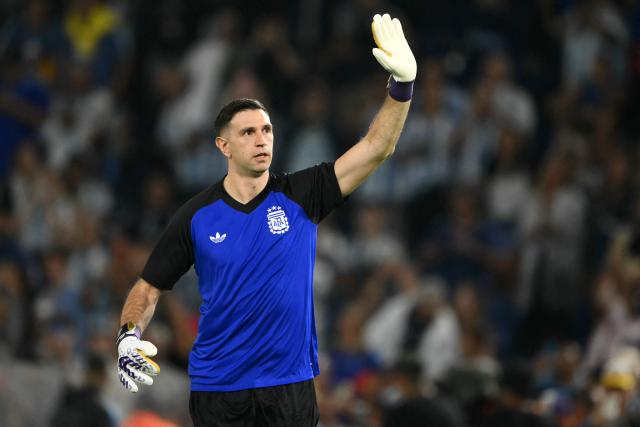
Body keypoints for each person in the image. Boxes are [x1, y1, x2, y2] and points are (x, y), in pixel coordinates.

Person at [115, 13, 416, 427]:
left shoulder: (303, 194)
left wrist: (401, 89)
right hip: (219, 390)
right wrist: (128, 336)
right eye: (248, 133)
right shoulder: (196, 216)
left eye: (267, 130)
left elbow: (376, 148)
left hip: (290, 387)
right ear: (223, 145)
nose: (262, 140)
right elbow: (148, 288)